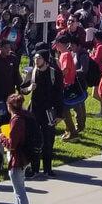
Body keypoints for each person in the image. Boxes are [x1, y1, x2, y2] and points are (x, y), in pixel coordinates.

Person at [24, 49, 62, 177]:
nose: (35, 60)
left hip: (49, 113)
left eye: (38, 58)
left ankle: (48, 169)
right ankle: (34, 169)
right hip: (34, 111)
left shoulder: (54, 73)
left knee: (48, 140)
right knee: (34, 140)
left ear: (45, 59)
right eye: (34, 58)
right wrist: (29, 88)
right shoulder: (32, 72)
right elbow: (22, 88)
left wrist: (60, 114)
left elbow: (59, 95)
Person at [0, 94, 33, 204]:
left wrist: (2, 137)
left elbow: (12, 145)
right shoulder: (25, 116)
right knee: (17, 191)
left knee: (20, 193)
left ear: (9, 106)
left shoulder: (17, 120)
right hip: (24, 158)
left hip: (17, 160)